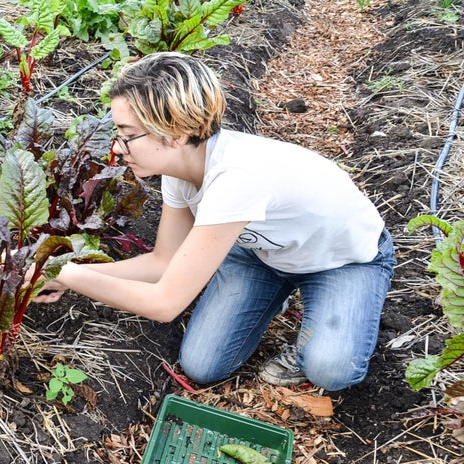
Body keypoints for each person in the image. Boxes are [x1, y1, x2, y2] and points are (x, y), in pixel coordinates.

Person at [37, 52, 396, 391]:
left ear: (175, 133)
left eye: (129, 135)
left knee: (330, 369)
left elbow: (164, 304)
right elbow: (162, 261)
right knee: (202, 365)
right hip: (261, 254)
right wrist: (65, 273)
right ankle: (274, 296)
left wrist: (62, 273)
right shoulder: (179, 169)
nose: (117, 148)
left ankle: (327, 317)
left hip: (342, 260)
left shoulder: (237, 178)